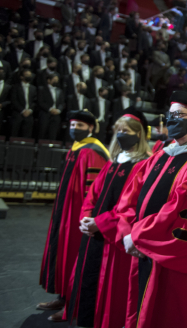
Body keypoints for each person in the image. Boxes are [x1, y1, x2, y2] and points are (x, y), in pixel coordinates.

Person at [122, 91, 187, 328]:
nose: (172, 120)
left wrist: (139, 237)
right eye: (170, 115)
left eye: (179, 115)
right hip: (144, 250)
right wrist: (130, 232)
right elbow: (135, 197)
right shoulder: (162, 155)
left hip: (172, 259)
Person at [65, 108, 151, 328]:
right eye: (118, 130)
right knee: (87, 285)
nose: (121, 134)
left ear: (139, 134)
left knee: (110, 292)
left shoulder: (143, 165)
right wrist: (86, 219)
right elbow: (91, 196)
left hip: (114, 241)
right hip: (94, 235)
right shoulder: (113, 162)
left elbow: (132, 208)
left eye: (127, 130)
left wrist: (100, 224)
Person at [38, 111, 109, 322]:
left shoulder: (92, 151)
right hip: (66, 211)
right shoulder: (77, 148)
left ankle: (73, 303)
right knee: (63, 254)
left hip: (79, 215)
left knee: (74, 256)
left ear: (90, 128)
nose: (74, 129)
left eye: (79, 125)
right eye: (72, 125)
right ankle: (63, 296)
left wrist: (87, 216)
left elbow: (94, 189)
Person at [11, 68, 37, 138]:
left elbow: (35, 101)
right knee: (14, 132)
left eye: (29, 75)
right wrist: (22, 111)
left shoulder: (33, 88)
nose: (29, 76)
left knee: (27, 133)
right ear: (21, 77)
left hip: (29, 113)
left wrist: (30, 110)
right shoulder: (15, 87)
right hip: (18, 112)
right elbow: (14, 100)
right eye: (26, 75)